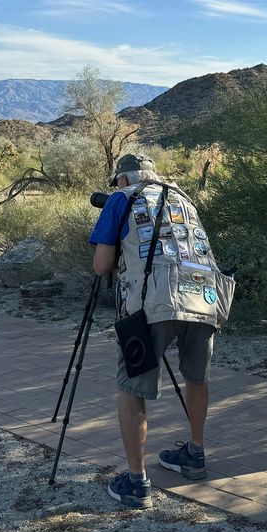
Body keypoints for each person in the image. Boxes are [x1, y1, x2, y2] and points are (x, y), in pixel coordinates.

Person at [91, 153, 232, 509]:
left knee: (132, 387)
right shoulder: (183, 197)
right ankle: (195, 454)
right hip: (204, 296)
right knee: (197, 378)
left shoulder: (121, 200)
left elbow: (101, 265)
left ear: (122, 180)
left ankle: (136, 482)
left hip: (152, 303)